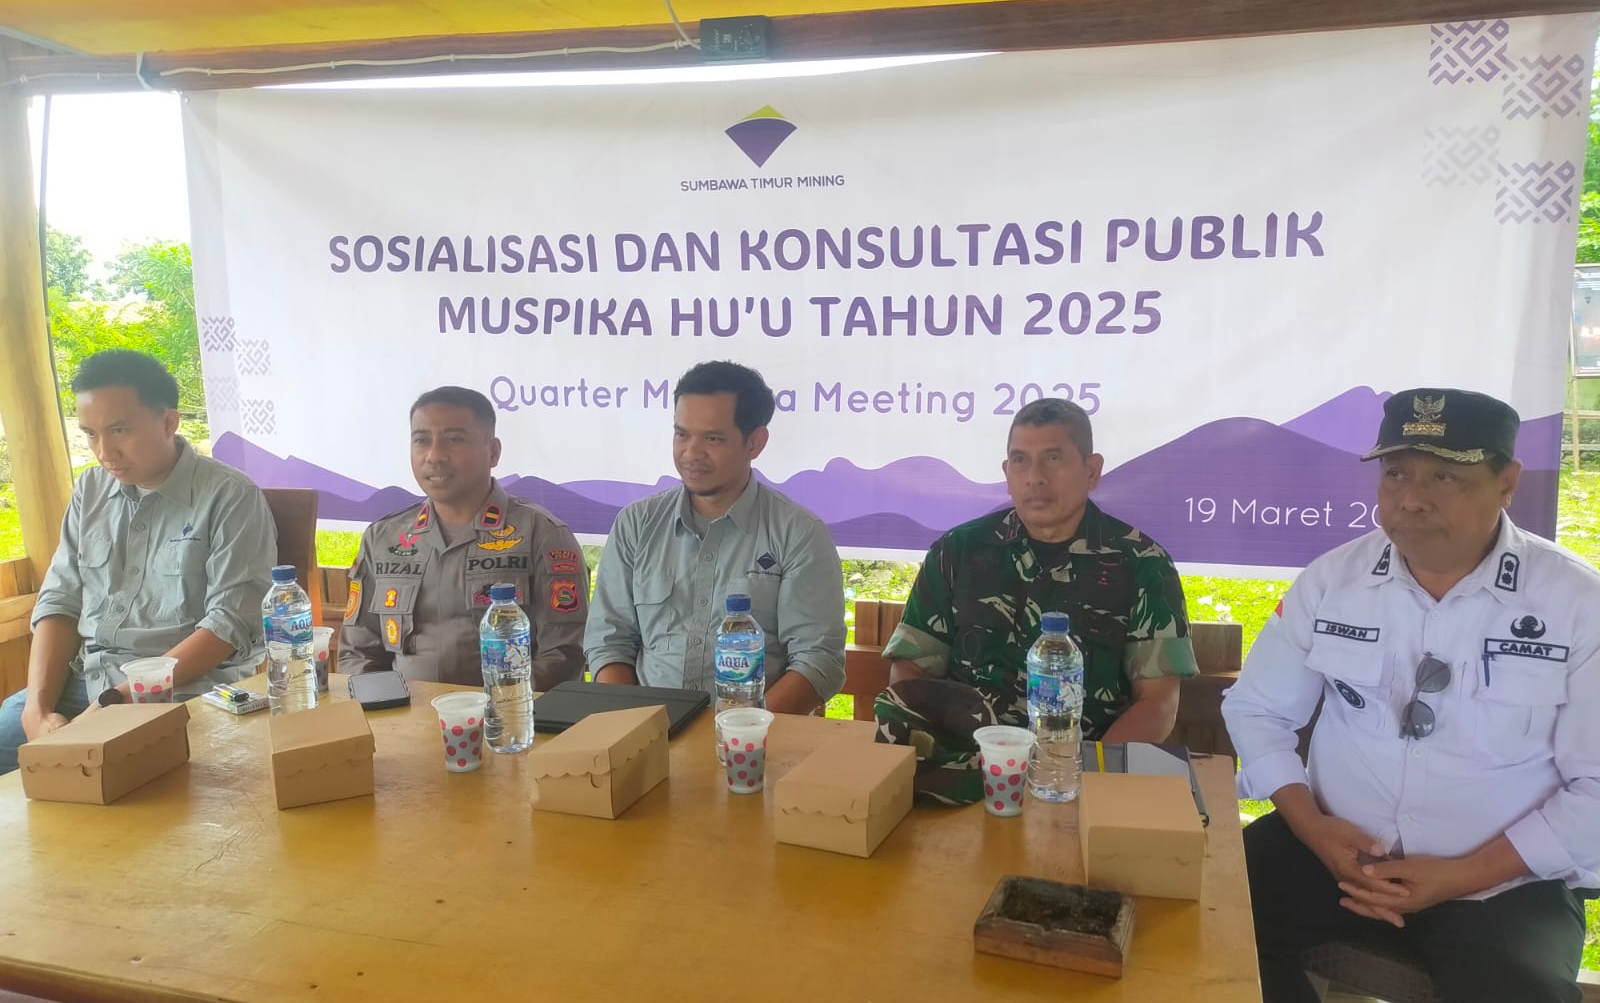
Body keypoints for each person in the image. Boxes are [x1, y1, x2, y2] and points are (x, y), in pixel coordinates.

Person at [1225, 388, 1599, 1003]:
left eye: (1445, 476)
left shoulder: (1576, 604)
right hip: (1335, 850)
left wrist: (1460, 876)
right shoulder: (1333, 580)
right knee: (1197, 921)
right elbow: (1258, 711)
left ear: (1507, 482)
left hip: (1501, 880)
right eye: (1396, 474)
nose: (1412, 499)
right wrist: (1312, 828)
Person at [878, 398, 1196, 788]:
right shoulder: (957, 552)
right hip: (964, 771)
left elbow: (1158, 702)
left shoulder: (1143, 563)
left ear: (1092, 470)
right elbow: (911, 670)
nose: (1035, 477)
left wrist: (1081, 777)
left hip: (1082, 778)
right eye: (1020, 461)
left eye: (1053, 458)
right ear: (1006, 472)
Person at [0, 350, 276, 774]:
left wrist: (114, 704)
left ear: (169, 422)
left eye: (119, 430)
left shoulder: (230, 496)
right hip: (84, 682)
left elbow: (229, 624)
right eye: (90, 434)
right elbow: (60, 601)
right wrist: (36, 711)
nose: (104, 451)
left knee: (122, 782)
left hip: (182, 692)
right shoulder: (90, 491)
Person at [584, 360, 845, 713]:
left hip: (755, 737)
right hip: (646, 730)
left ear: (755, 442)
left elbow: (818, 662)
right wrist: (634, 724)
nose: (691, 453)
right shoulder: (636, 524)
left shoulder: (799, 533)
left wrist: (738, 731)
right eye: (682, 434)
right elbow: (609, 643)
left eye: (712, 438)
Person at [341, 386, 588, 689]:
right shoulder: (383, 538)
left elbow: (563, 656)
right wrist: (383, 706)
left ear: (493, 452)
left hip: (511, 714)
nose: (434, 456)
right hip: (401, 714)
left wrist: (494, 707)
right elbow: (358, 652)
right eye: (421, 440)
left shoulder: (542, 534)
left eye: (454, 439)